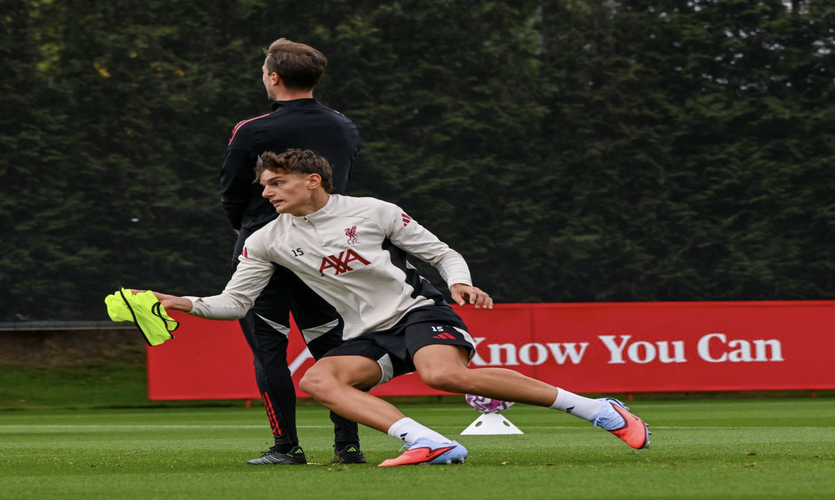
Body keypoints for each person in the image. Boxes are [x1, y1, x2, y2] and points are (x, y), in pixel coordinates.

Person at [147, 149, 651, 466]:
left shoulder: (373, 210)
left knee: (442, 375)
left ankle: (598, 409)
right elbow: (235, 303)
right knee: (319, 381)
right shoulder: (266, 239)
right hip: (366, 333)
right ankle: (428, 441)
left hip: (418, 311)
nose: (266, 191)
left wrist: (459, 282)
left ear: (312, 180)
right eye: (264, 184)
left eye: (276, 182)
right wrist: (181, 303)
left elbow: (442, 254)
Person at [219, 39, 363, 465]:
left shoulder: (252, 130)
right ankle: (348, 446)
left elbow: (231, 191)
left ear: (274, 78)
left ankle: (286, 447)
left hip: (265, 251)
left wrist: (248, 228)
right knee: (333, 347)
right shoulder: (343, 126)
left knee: (268, 349)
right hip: (322, 249)